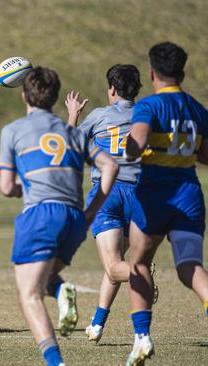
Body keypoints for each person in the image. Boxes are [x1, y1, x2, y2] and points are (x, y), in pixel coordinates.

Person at [0, 67, 118, 366]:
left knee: (29, 295)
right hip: (74, 218)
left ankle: (56, 363)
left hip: (40, 214)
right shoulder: (73, 133)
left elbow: (5, 188)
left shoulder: (13, 131)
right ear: (55, 97)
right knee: (48, 276)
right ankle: (62, 289)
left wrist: (24, 188)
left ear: (24, 95)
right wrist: (91, 210)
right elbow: (111, 166)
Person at [123, 42, 208, 366]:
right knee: (190, 268)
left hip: (154, 196)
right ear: (181, 72)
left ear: (152, 72)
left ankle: (142, 337)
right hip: (188, 196)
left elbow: (137, 144)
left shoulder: (148, 106)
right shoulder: (197, 108)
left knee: (139, 263)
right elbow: (205, 155)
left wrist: (128, 146)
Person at [65, 64, 157, 343]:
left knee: (116, 266)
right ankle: (97, 324)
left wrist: (72, 116)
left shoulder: (99, 116)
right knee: (114, 264)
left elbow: (68, 146)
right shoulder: (148, 115)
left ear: (112, 89)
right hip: (142, 196)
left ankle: (141, 273)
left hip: (108, 193)